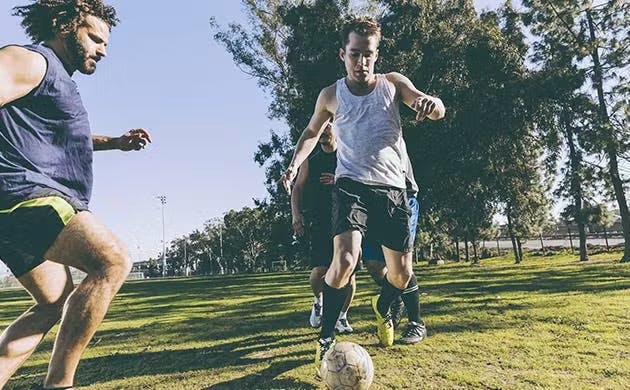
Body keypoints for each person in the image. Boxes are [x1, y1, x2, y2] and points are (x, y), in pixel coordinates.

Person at [279, 16, 445, 370]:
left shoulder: (392, 85)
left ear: (376, 54)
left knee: (400, 275)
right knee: (344, 260)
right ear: (343, 54)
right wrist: (295, 165)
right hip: (351, 185)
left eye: (367, 55)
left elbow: (427, 104)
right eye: (354, 54)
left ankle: (384, 306)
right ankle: (326, 340)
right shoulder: (331, 95)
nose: (361, 62)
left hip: (393, 189)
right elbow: (311, 133)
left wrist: (433, 105)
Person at [0, 1, 151, 389]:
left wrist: (115, 142)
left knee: (53, 301)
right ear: (64, 26)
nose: (102, 49)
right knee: (112, 260)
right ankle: (60, 385)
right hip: (25, 196)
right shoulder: (32, 62)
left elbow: (66, 139)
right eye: (95, 38)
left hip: (17, 209)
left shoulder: (57, 81)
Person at [291, 122, 356, 334]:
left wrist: (338, 180)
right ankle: (318, 302)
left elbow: (363, 180)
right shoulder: (311, 158)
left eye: (328, 125)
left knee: (350, 274)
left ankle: (342, 317)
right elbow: (297, 187)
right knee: (319, 271)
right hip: (320, 220)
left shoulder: (348, 154)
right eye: (322, 126)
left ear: (338, 128)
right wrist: (296, 214)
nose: (324, 129)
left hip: (347, 217)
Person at [362, 156, 426, 344]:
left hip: (401, 197)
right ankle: (394, 297)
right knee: (374, 264)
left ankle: (415, 322)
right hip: (372, 200)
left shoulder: (388, 130)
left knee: (401, 266)